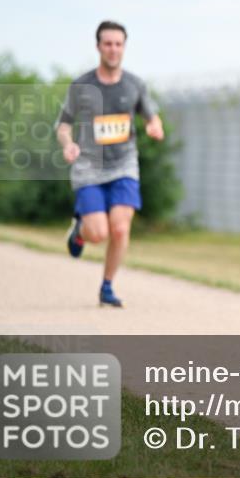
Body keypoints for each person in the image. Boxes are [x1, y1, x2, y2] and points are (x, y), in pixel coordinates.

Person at [57, 20, 164, 307]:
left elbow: (152, 116)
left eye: (118, 44)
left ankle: (107, 287)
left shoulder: (134, 85)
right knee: (98, 233)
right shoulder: (81, 85)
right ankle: (79, 232)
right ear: (98, 47)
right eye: (108, 44)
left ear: (124, 47)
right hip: (89, 167)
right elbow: (63, 126)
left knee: (119, 229)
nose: (113, 49)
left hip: (124, 165)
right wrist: (68, 145)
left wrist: (155, 126)